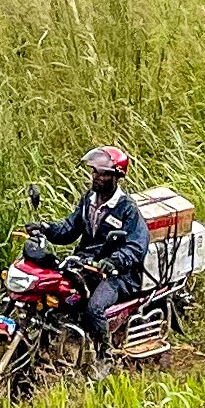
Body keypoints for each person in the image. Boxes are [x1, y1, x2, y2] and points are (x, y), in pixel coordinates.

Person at [40, 145, 149, 359]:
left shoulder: (127, 208)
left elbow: (137, 246)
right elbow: (69, 229)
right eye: (94, 171)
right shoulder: (89, 200)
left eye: (103, 173)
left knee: (94, 309)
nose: (96, 176)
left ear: (116, 177)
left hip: (118, 275)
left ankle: (103, 357)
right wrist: (46, 229)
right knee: (56, 293)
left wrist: (114, 261)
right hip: (86, 265)